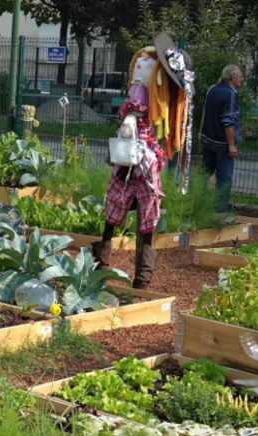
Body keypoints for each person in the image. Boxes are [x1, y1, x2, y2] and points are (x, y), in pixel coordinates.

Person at [93, 32, 194, 290]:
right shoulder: (152, 74)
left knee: (117, 213)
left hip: (131, 156)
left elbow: (136, 114)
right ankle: (139, 279)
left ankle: (103, 267)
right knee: (145, 216)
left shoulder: (143, 68)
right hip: (141, 155)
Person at [200, 64, 243, 214]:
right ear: (233, 77)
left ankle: (197, 206)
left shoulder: (213, 89)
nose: (241, 79)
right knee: (224, 181)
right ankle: (219, 214)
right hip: (223, 145)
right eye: (240, 76)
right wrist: (231, 145)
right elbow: (228, 121)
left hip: (208, 140)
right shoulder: (231, 94)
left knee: (203, 175)